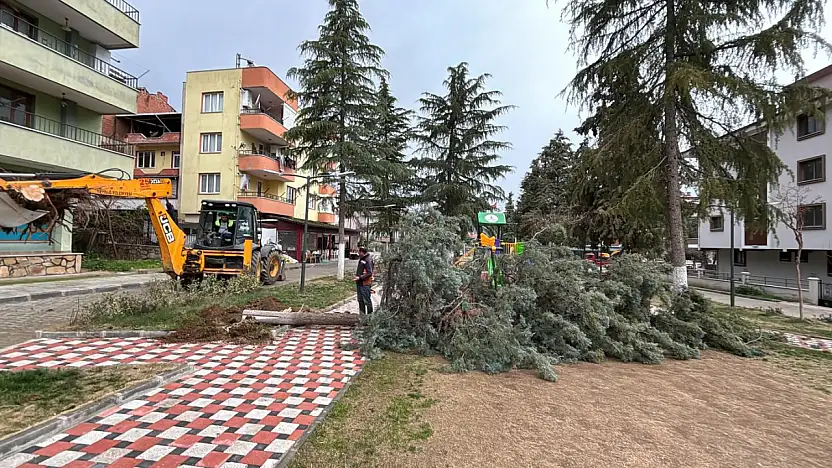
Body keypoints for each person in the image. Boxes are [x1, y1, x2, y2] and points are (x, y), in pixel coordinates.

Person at [354, 247, 374, 315]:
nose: (358, 254)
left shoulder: (368, 260)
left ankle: (369, 317)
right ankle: (362, 317)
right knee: (360, 300)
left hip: (365, 284)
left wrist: (360, 277)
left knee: (367, 301)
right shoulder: (362, 259)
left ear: (362, 252)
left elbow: (369, 272)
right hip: (359, 283)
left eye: (359, 252)